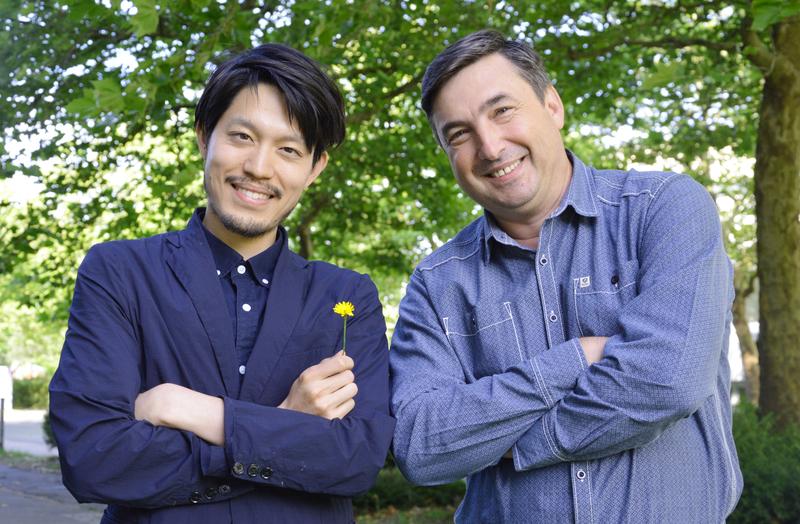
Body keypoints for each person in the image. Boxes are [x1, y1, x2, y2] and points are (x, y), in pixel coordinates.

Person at [389, 29, 742, 522]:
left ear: (552, 106)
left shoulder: (665, 209)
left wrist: (519, 444)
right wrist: (575, 359)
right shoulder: (437, 284)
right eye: (460, 134)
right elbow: (420, 444)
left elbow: (668, 382)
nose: (490, 146)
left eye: (503, 110)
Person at [49, 43, 394, 524]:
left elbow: (355, 462)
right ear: (203, 136)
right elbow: (93, 457)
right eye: (242, 137)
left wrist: (190, 410)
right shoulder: (119, 272)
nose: (258, 167)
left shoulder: (347, 296)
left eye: (288, 150)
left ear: (315, 168)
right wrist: (285, 426)